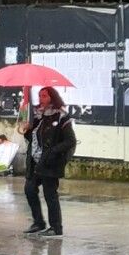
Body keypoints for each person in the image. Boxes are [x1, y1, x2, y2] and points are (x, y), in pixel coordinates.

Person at [22, 86, 77, 239]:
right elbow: (32, 139)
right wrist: (27, 129)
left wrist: (53, 152)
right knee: (29, 189)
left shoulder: (60, 117)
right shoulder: (38, 116)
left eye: (44, 96)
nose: (41, 99)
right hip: (35, 161)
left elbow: (70, 141)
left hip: (50, 162)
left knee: (50, 194)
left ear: (52, 98)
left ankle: (56, 227)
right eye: (40, 96)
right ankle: (38, 222)